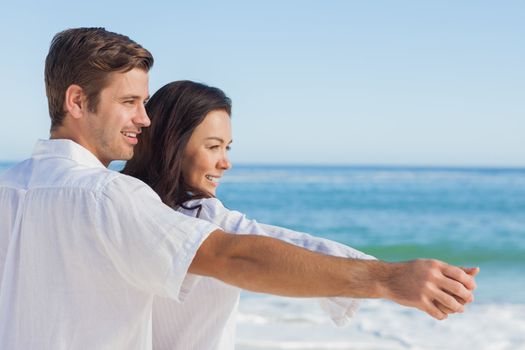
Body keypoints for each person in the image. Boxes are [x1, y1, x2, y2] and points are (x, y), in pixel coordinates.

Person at [0, 27, 477, 350]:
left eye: (145, 103)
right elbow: (235, 254)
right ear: (77, 101)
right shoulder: (107, 198)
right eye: (129, 102)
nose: (142, 119)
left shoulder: (9, 189)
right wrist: (388, 279)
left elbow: (264, 238)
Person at [122, 80, 480, 349]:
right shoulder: (201, 216)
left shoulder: (113, 203)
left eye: (227, 148)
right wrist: (390, 277)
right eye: (213, 147)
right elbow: (263, 249)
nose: (225, 162)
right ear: (172, 145)